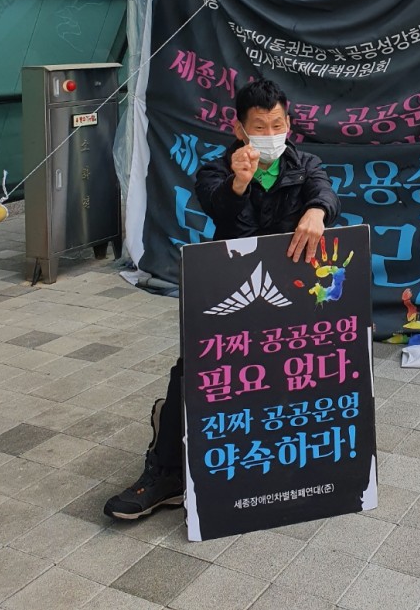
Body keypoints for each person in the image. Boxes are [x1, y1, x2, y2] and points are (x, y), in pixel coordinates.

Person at [103, 78, 340, 520]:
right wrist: (239, 185)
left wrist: (316, 210)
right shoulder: (216, 170)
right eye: (260, 127)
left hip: (293, 303)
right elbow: (225, 217)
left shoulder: (307, 164)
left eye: (278, 124)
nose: (271, 134)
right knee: (195, 369)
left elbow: (325, 192)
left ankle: (302, 469)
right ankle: (167, 473)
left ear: (289, 124)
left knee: (307, 373)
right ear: (239, 129)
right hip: (234, 294)